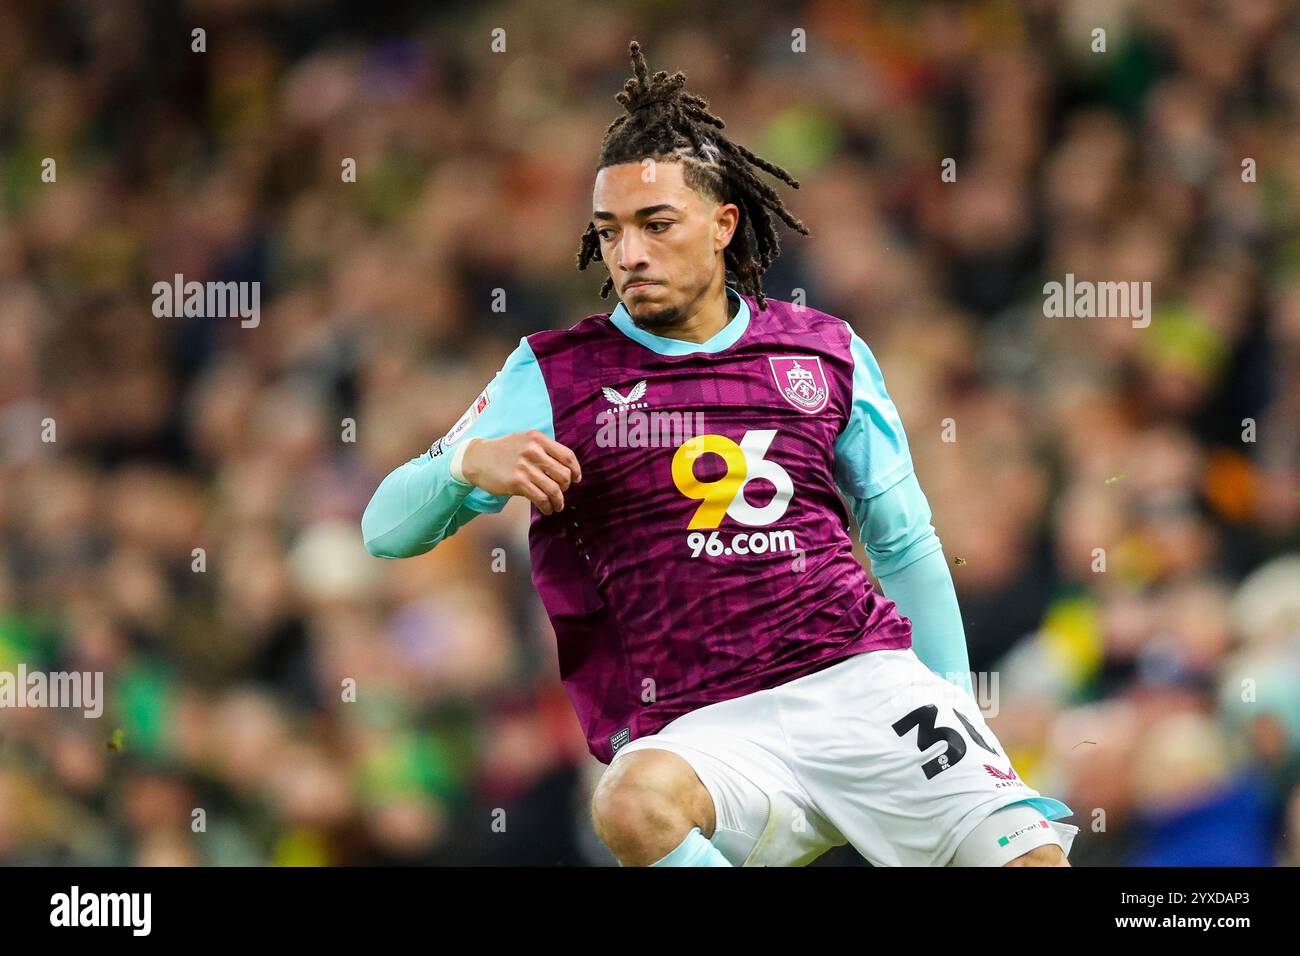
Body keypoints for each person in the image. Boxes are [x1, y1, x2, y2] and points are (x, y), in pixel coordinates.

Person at [362, 40, 1078, 867]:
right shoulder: (554, 373)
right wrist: (462, 470)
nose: (629, 253)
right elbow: (384, 529)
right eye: (611, 231)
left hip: (862, 681)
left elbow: (905, 541)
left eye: (656, 225)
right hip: (702, 725)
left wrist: (954, 702)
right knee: (631, 805)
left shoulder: (825, 353)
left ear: (722, 224)